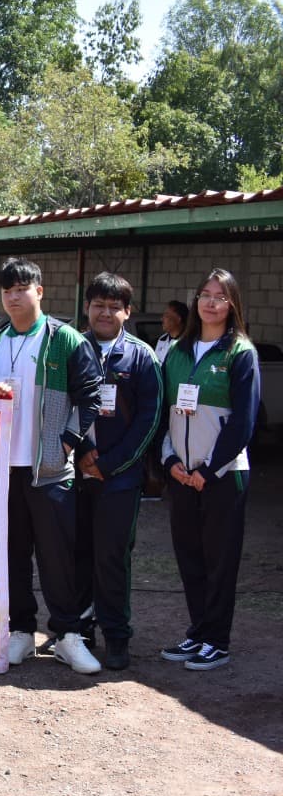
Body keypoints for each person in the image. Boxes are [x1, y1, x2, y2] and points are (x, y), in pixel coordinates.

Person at [0, 257, 103, 674]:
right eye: (8, 290)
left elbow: (91, 396)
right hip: (3, 471)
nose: (14, 297)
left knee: (57, 556)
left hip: (49, 470)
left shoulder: (64, 339)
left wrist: (66, 443)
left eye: (22, 288)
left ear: (40, 291)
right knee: (13, 555)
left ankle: (68, 635)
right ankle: (20, 632)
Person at [159, 269, 260, 672]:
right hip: (182, 476)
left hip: (223, 476)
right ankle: (198, 632)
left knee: (220, 560)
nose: (211, 302)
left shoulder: (240, 353)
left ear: (232, 304)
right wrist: (170, 462)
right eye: (204, 294)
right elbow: (165, 415)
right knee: (190, 557)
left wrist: (209, 469)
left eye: (220, 296)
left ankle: (217, 640)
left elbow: (243, 423)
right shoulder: (178, 352)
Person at [70, 273, 162, 672]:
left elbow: (150, 419)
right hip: (73, 471)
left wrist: (107, 463)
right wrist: (85, 453)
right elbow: (57, 403)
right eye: (98, 305)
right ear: (87, 307)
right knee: (76, 555)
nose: (105, 313)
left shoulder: (142, 356)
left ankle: (116, 635)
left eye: (114, 306)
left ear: (127, 311)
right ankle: (80, 632)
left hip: (120, 477)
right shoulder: (72, 348)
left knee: (111, 557)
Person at [154, 300, 187, 365]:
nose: (162, 319)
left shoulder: (187, 343)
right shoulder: (162, 339)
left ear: (178, 319)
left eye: (166, 315)